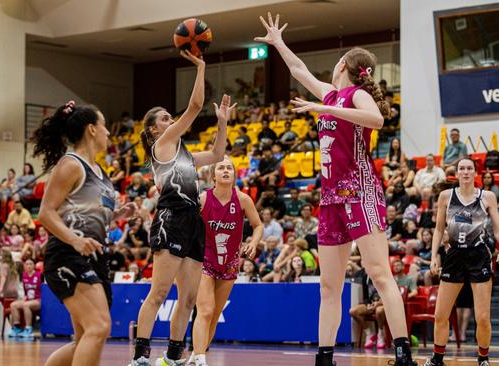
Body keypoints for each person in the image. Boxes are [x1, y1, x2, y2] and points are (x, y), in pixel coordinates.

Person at [256, 12, 417, 365]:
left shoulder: (355, 95)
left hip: (360, 192)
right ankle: (324, 357)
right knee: (329, 287)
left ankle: (404, 354)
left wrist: (319, 107)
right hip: (331, 200)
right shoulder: (330, 94)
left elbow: (377, 119)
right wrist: (279, 43)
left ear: (342, 63)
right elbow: (299, 71)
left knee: (380, 274)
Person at [131, 50, 234, 366]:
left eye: (167, 116)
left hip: (193, 220)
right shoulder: (161, 146)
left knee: (188, 298)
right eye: (163, 118)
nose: (169, 119)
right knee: (158, 292)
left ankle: (173, 357)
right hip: (171, 216)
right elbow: (193, 107)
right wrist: (201, 67)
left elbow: (218, 154)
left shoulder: (185, 154)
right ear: (152, 130)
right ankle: (140, 356)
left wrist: (222, 123)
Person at [33, 100, 137, 366]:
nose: (109, 133)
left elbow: (89, 215)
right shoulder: (71, 165)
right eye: (104, 126)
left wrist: (118, 215)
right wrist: (75, 240)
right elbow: (45, 213)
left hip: (93, 256)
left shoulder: (100, 172)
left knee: (85, 338)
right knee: (99, 326)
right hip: (68, 255)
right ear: (92, 129)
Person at [188, 156, 263, 366]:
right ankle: (202, 359)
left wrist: (254, 242)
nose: (225, 170)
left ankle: (196, 356)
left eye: (229, 167)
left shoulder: (243, 199)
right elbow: (188, 227)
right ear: (213, 175)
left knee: (215, 315)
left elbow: (258, 226)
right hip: (204, 259)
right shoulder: (202, 199)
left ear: (235, 174)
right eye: (221, 167)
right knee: (205, 310)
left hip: (230, 262)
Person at [425, 158, 499, 366]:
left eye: (469, 168)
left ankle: (483, 359)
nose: (465, 172)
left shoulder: (488, 197)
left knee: (483, 318)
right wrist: (433, 257)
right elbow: (439, 229)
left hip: (479, 256)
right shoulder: (446, 196)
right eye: (461, 168)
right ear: (456, 173)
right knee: (441, 314)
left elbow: (497, 229)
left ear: (475, 173)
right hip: (454, 256)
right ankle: (437, 359)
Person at [9, 258, 42, 338]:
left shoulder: (40, 275)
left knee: (26, 305)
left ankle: (28, 329)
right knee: (13, 305)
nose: (29, 266)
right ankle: (17, 328)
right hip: (28, 299)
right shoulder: (23, 276)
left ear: (34, 265)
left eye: (31, 264)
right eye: (27, 264)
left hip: (39, 300)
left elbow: (46, 287)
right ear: (24, 266)